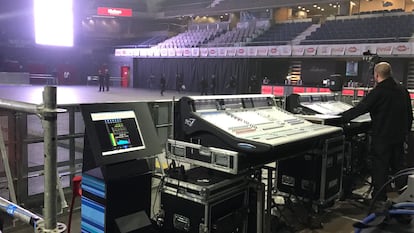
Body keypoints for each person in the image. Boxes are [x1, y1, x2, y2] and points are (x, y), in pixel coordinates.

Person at [340, 62, 413, 202]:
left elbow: (360, 108)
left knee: (381, 168)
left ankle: (379, 201)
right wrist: (405, 133)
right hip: (399, 137)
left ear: (377, 75)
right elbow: (409, 115)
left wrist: (341, 118)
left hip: (383, 138)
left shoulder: (379, 91)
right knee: (399, 168)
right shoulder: (402, 89)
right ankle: (406, 199)